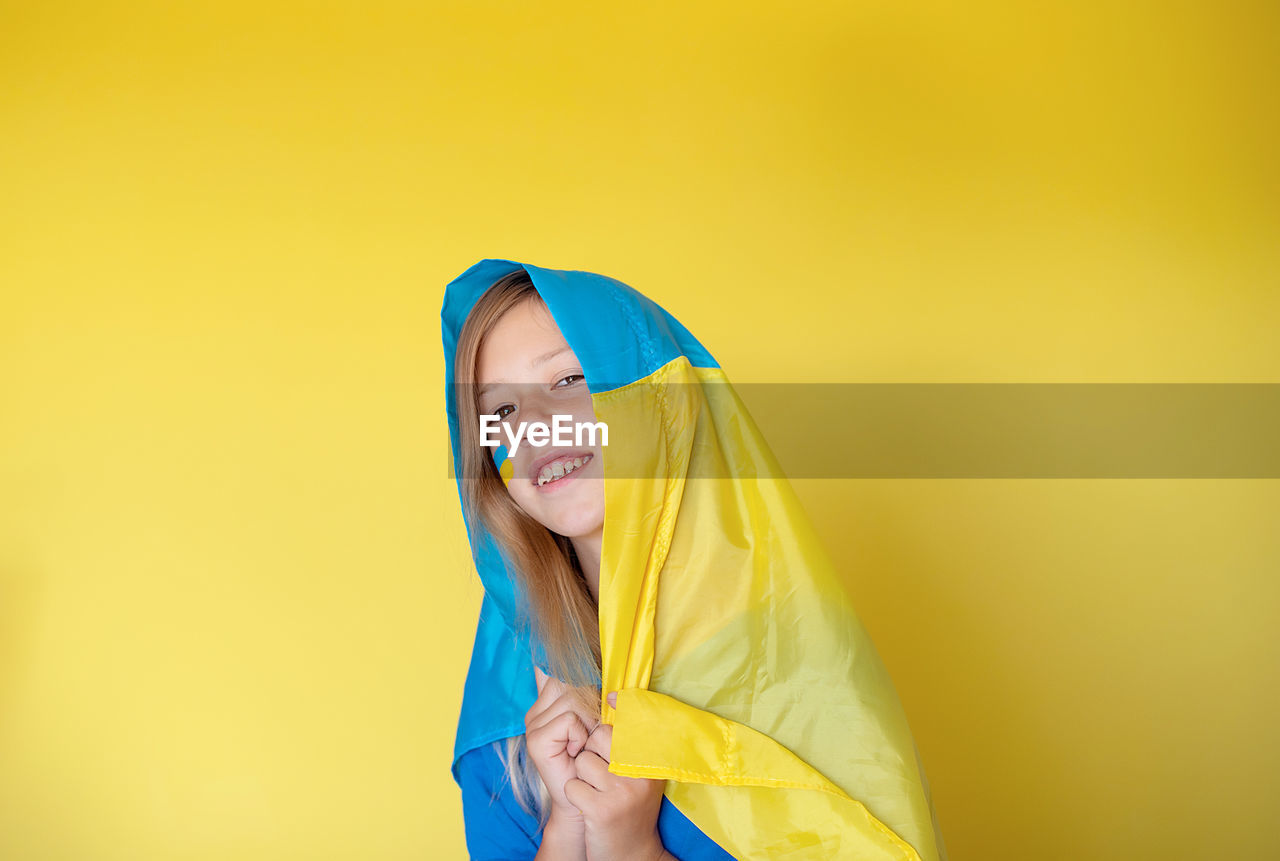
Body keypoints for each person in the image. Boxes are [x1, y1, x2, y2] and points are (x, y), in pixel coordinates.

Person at [443, 260, 947, 861]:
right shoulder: (509, 701)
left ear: (661, 403)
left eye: (569, 381)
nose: (533, 428)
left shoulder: (792, 653)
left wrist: (632, 849)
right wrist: (566, 825)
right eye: (499, 413)